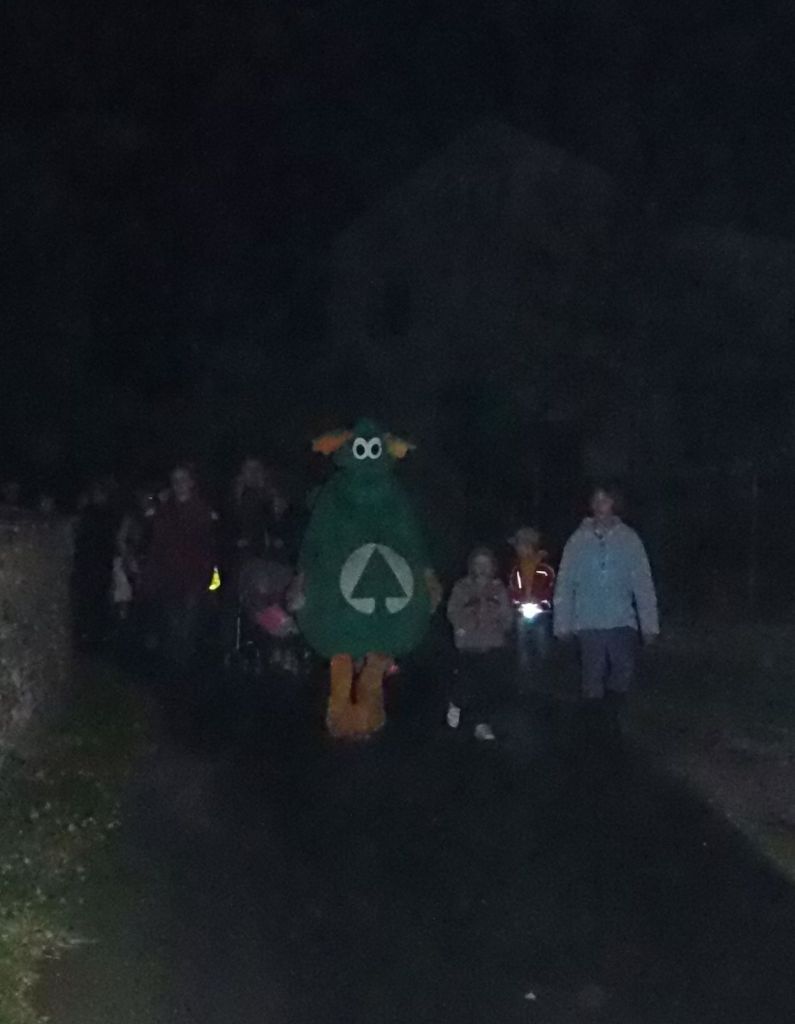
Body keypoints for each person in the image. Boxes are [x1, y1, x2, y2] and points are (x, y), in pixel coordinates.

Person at [554, 482, 659, 735]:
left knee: (622, 670)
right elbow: (565, 583)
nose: (600, 505)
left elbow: (642, 582)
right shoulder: (577, 541)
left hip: (621, 619)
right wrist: (562, 623)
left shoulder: (629, 539)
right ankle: (594, 727)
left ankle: (613, 718)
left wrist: (649, 624)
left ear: (614, 504)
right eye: (596, 500)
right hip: (588, 621)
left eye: (605, 500)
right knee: (593, 674)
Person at [140, 464, 215, 669]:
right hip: (169, 574)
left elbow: (207, 544)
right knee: (173, 621)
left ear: (191, 482)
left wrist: (208, 575)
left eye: (183, 479)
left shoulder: (201, 510)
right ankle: (172, 669)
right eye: (175, 480)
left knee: (189, 622)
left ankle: (185, 668)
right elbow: (156, 540)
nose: (179, 484)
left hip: (194, 575)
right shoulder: (165, 510)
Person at [447, 546, 514, 741]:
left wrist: (504, 625)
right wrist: (463, 626)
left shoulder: (498, 588)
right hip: (469, 644)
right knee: (468, 684)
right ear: (472, 566)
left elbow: (507, 614)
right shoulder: (462, 587)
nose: (482, 568)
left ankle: (481, 724)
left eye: (486, 564)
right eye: (478, 564)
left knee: (487, 686)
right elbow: (453, 611)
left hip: (492, 644)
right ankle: (456, 703)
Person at [71, 479, 120, 643]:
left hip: (94, 566)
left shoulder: (97, 513)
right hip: (94, 566)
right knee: (92, 603)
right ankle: (92, 636)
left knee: (91, 603)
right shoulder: (102, 513)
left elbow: (87, 538)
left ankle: (91, 637)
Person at [507, 526, 555, 677]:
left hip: (542, 612)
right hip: (522, 613)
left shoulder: (545, 568)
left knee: (542, 643)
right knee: (522, 645)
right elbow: (512, 590)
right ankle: (525, 674)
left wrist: (539, 599)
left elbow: (550, 588)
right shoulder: (516, 570)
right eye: (518, 546)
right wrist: (518, 602)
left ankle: (544, 673)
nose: (519, 549)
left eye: (523, 545)